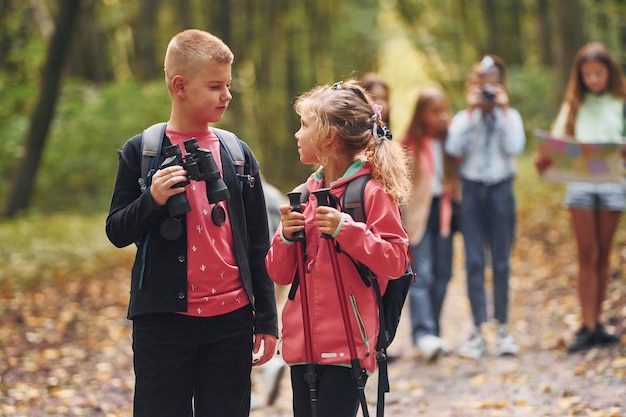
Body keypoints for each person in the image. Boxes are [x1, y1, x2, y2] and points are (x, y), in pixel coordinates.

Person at [105, 29, 278, 417]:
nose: (227, 95)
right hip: (163, 322)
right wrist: (152, 200)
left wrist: (266, 319)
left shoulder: (236, 153)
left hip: (231, 320)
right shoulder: (142, 151)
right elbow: (117, 230)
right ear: (179, 86)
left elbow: (256, 243)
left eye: (228, 85)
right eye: (215, 86)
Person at [265, 80, 411, 417]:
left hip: (348, 345)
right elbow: (278, 272)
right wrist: (286, 237)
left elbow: (396, 261)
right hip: (302, 346)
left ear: (328, 137)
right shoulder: (302, 194)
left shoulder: (372, 192)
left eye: (304, 126)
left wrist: (348, 230)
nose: (296, 135)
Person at [535, 41, 624, 353]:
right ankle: (586, 325)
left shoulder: (620, 101)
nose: (594, 80)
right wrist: (545, 159)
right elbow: (557, 145)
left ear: (609, 72)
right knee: (586, 252)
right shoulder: (573, 105)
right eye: (588, 75)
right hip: (581, 184)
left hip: (613, 182)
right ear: (580, 76)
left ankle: (598, 323)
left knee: (603, 253)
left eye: (599, 74)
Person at [445, 55, 525, 358]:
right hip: (473, 191)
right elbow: (453, 148)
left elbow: (514, 147)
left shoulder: (511, 116)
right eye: (482, 84)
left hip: (502, 189)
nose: (487, 90)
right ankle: (478, 330)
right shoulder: (464, 118)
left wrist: (500, 111)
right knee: (474, 261)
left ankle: (503, 328)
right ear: (473, 85)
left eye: (493, 84)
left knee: (501, 262)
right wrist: (474, 112)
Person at [401, 84, 460, 361]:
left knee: (444, 272)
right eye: (435, 112)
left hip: (444, 212)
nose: (442, 117)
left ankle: (433, 330)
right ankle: (423, 333)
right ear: (421, 115)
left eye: (444, 111)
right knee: (421, 273)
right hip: (418, 216)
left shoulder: (451, 144)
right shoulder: (408, 145)